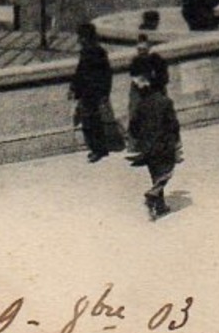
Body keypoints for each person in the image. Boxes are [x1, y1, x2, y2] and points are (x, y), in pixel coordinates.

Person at [127, 63, 181, 221]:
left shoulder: (141, 105)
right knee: (167, 171)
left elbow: (133, 127)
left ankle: (160, 206)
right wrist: (175, 141)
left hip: (148, 147)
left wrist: (141, 141)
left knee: (155, 174)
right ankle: (153, 193)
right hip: (163, 145)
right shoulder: (165, 102)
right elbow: (173, 125)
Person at [70, 23, 120, 162]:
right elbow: (80, 71)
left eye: (81, 37)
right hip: (87, 92)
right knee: (89, 121)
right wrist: (74, 87)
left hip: (93, 92)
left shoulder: (97, 52)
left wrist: (103, 93)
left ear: (87, 37)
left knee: (92, 121)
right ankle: (97, 148)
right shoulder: (87, 51)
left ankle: (98, 149)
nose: (79, 40)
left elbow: (106, 74)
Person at [126, 36, 170, 140]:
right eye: (139, 49)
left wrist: (151, 83)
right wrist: (140, 83)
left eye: (143, 49)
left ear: (149, 48)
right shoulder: (135, 61)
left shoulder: (157, 59)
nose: (141, 52)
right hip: (141, 93)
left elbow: (163, 78)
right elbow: (133, 75)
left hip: (155, 91)